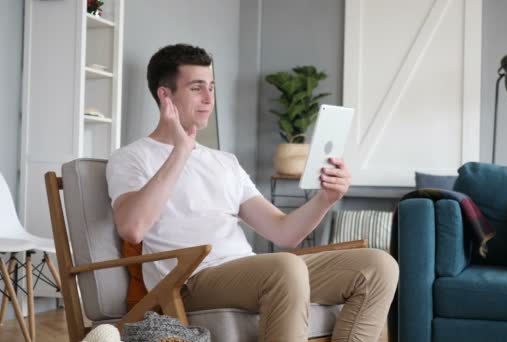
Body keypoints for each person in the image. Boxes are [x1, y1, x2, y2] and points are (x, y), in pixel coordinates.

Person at [106, 43, 398, 341]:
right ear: (165, 95)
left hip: (246, 271)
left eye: (211, 87)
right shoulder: (132, 158)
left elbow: (284, 232)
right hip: (189, 281)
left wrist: (326, 199)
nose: (209, 99)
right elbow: (132, 227)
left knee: (378, 266)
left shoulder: (224, 162)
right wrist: (182, 151)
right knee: (285, 267)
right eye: (196, 88)